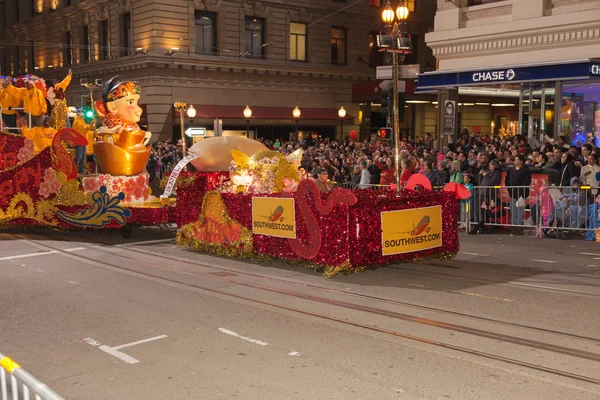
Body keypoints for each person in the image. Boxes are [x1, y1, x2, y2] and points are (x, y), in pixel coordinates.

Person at [504, 155, 532, 225]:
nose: (515, 161)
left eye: (517, 159)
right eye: (515, 159)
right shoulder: (511, 169)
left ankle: (518, 223)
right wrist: (509, 188)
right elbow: (507, 180)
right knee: (512, 209)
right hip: (512, 193)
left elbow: (527, 181)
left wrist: (521, 190)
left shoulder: (525, 170)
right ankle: (513, 223)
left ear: (521, 161)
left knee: (520, 210)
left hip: (521, 194)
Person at [72, 109, 94, 174]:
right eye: (80, 112)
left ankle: (81, 170)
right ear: (77, 113)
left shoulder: (82, 121)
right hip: (79, 141)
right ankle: (73, 169)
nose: (82, 113)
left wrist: (92, 124)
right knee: (79, 156)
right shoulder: (77, 121)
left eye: (82, 112)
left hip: (83, 141)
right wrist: (89, 127)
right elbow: (82, 130)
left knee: (83, 157)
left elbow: (86, 127)